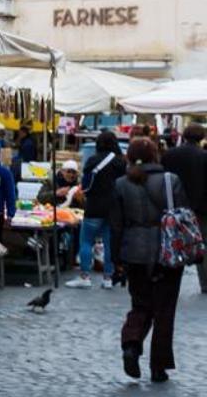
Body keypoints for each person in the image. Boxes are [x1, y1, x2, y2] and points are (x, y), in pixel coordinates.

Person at [111, 136, 187, 382]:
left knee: (141, 304)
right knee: (164, 310)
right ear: (156, 155)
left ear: (129, 157)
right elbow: (182, 215)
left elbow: (116, 224)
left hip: (134, 251)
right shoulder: (170, 181)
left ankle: (131, 344)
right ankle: (159, 366)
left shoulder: (121, 184)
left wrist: (116, 258)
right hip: (167, 252)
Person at [161, 123, 207, 294]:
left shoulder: (170, 155)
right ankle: (205, 283)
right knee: (203, 244)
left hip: (174, 206)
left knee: (173, 242)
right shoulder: (204, 156)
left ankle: (172, 281)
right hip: (200, 208)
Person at [75, 131, 125, 288]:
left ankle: (84, 277)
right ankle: (108, 278)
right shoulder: (120, 162)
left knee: (86, 241)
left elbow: (85, 185)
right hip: (114, 208)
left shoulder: (92, 160)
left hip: (94, 205)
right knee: (110, 244)